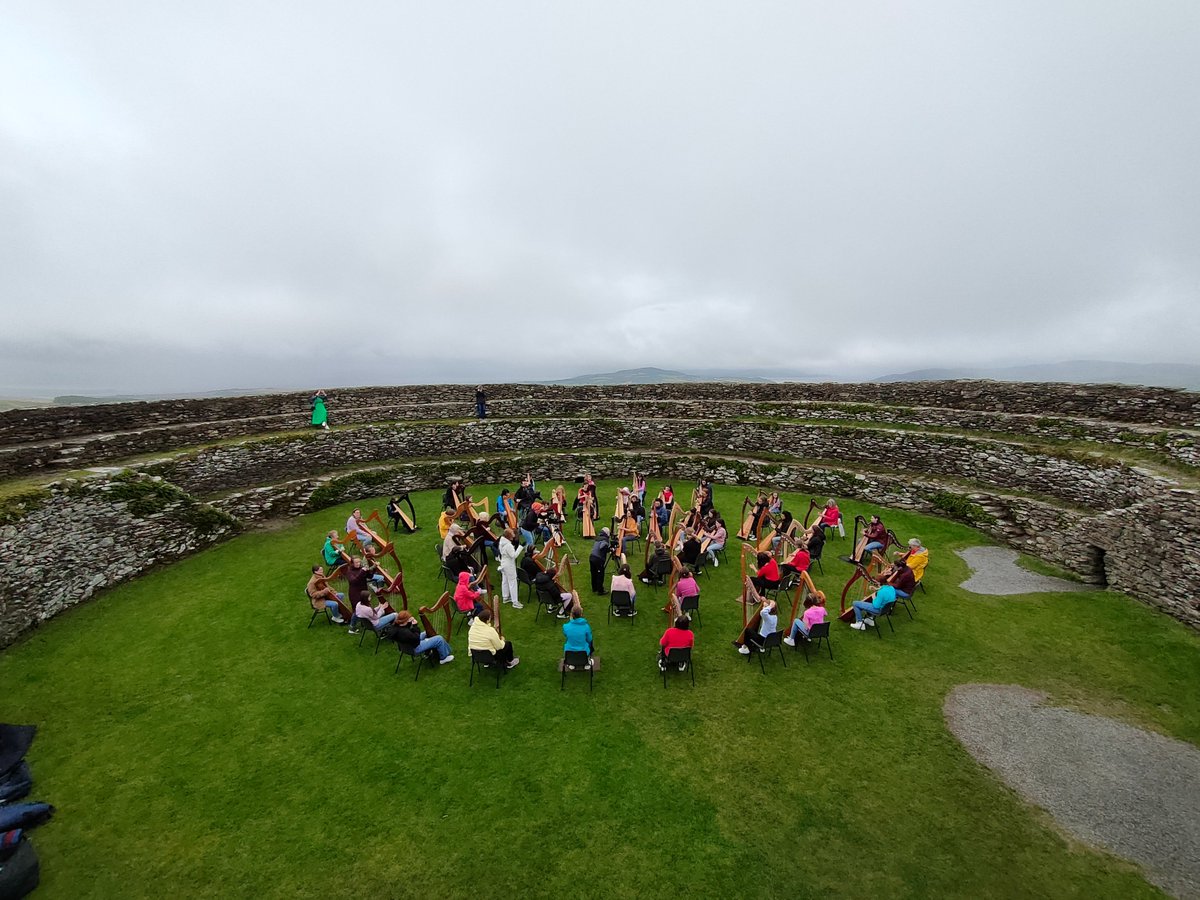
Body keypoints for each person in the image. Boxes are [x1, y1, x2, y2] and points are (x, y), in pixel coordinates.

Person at [387, 609, 454, 663]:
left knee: (427, 632)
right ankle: (443, 658)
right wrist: (415, 626)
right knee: (439, 638)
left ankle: (427, 653)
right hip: (415, 648)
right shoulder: (405, 633)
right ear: (405, 621)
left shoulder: (395, 627)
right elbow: (416, 639)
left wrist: (409, 623)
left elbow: (408, 632)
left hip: (406, 647)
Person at [735, 591, 777, 655]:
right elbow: (765, 611)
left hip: (763, 641)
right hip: (770, 640)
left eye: (764, 607)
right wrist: (766, 601)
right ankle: (762, 649)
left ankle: (746, 649)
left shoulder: (767, 617)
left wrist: (769, 606)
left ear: (769, 609)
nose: (762, 608)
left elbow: (763, 612)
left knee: (747, 630)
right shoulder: (774, 617)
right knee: (755, 631)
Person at [498, 528, 525, 609]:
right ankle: (515, 602)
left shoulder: (501, 542)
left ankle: (505, 597)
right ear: (509, 536)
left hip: (503, 563)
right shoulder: (508, 545)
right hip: (509, 565)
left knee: (505, 580)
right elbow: (513, 556)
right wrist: (520, 547)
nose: (514, 533)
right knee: (513, 582)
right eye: (512, 533)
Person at [562, 603, 595, 668]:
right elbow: (589, 639)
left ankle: (572, 663)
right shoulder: (586, 626)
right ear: (581, 614)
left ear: (571, 614)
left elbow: (566, 635)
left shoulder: (566, 626)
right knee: (590, 641)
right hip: (584, 651)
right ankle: (587, 661)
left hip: (569, 652)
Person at [589, 528, 612, 594]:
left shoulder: (598, 538)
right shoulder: (605, 540)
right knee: (600, 574)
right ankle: (600, 590)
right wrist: (609, 549)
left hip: (592, 557)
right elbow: (602, 547)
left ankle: (594, 588)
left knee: (593, 573)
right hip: (598, 559)